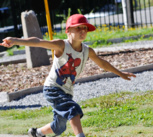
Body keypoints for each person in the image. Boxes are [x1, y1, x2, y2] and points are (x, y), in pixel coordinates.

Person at [0, 14, 136, 137]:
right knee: (73, 109)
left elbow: (102, 63)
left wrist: (120, 73)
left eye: (85, 28)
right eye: (78, 28)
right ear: (68, 30)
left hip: (67, 91)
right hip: (52, 88)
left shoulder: (87, 51)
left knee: (59, 126)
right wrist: (15, 40)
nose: (83, 31)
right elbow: (38, 42)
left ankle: (37, 133)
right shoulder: (61, 45)